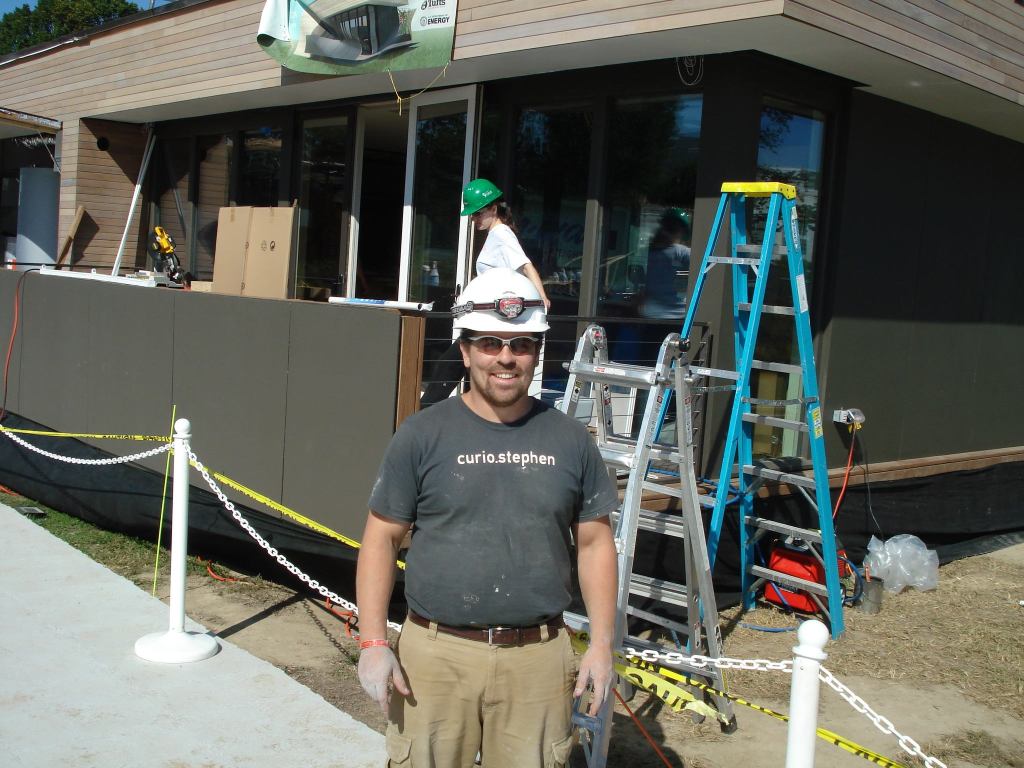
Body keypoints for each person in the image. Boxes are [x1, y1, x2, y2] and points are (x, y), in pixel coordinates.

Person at [357, 268, 619, 768]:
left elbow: (594, 545)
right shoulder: (421, 435)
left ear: (538, 352)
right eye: (490, 342)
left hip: (538, 661)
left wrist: (601, 646)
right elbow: (381, 540)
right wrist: (373, 642)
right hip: (435, 658)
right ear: (465, 350)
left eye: (521, 344)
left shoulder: (569, 440)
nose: (505, 357)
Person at [420, 179, 550, 407]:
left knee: (451, 364)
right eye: (472, 215)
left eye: (477, 213)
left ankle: (426, 412)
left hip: (495, 319)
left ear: (493, 208)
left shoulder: (501, 234)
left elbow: (525, 265)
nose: (474, 219)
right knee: (463, 366)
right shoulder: (496, 234)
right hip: (489, 318)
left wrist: (541, 300)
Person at [641, 207, 691, 319]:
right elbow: (702, 262)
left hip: (651, 313)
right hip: (674, 314)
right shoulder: (679, 251)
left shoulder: (650, 251)